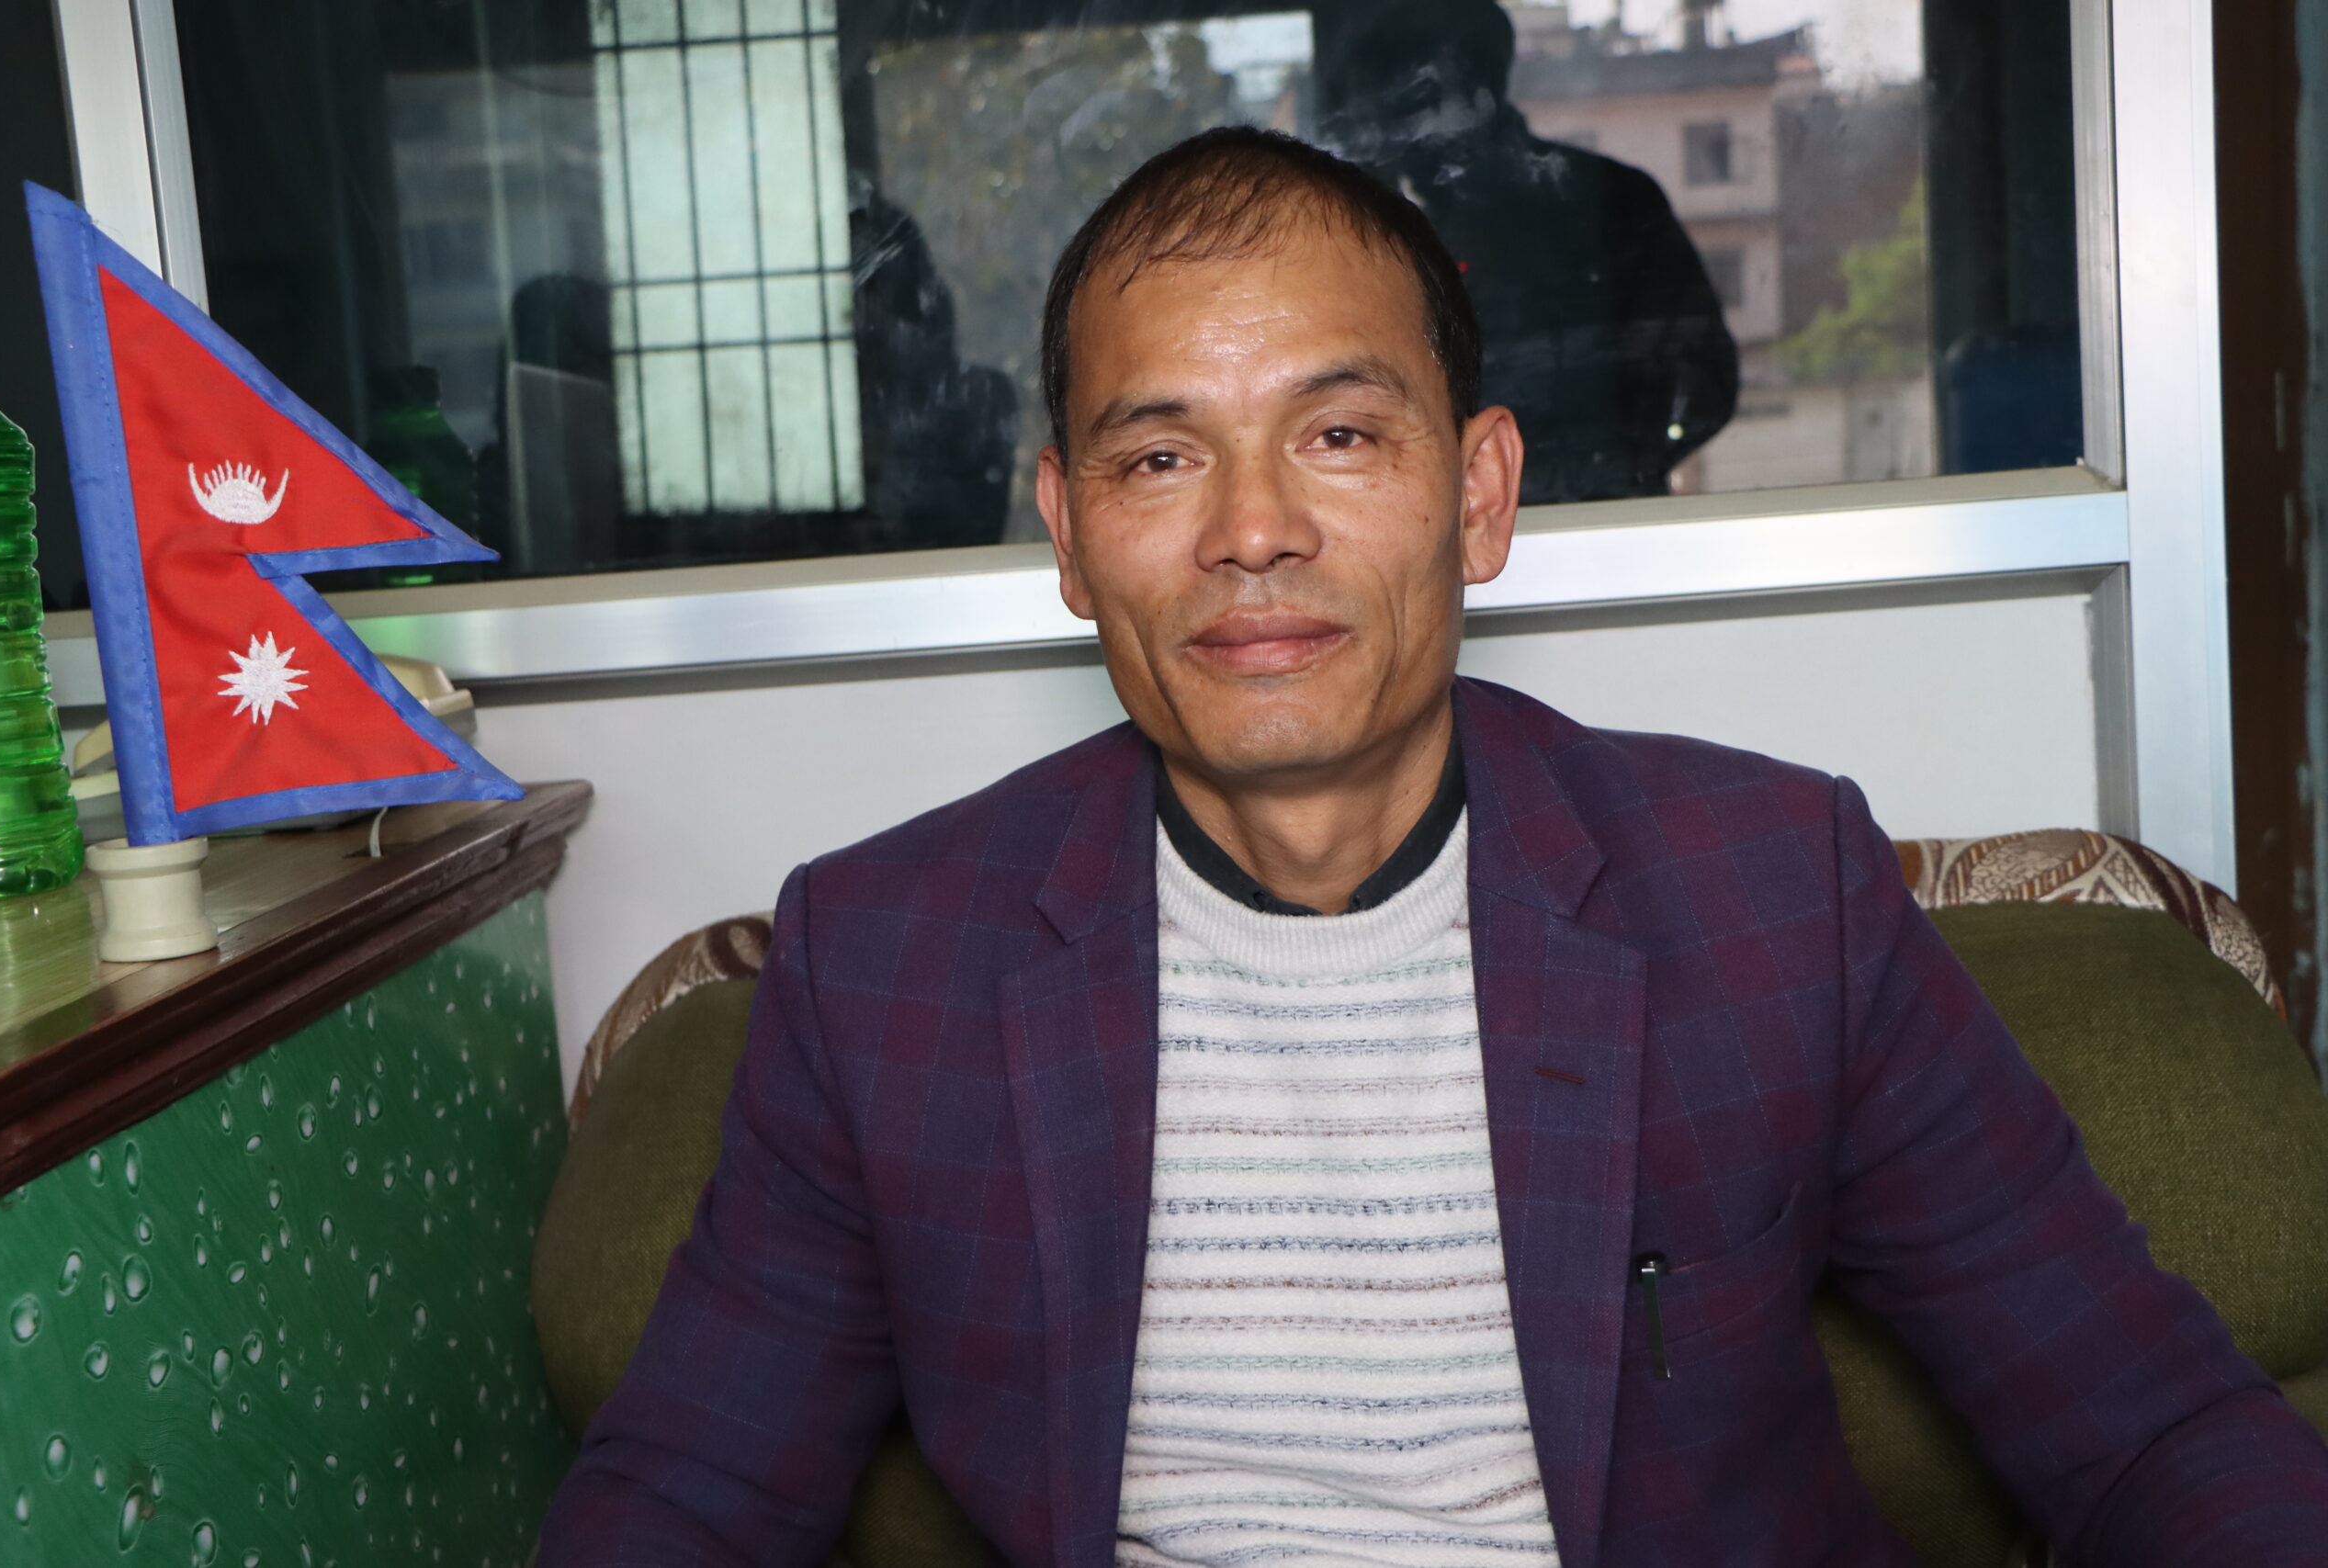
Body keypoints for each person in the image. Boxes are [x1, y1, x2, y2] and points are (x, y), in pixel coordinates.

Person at [539, 128, 2328, 1565]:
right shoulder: (884, 964)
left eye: (1337, 434)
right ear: (1069, 534)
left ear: (1476, 494)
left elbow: (2148, 1424)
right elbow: (693, 1488)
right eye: (1159, 459)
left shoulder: (1775, 889)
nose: (1252, 529)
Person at [1317, 0, 1737, 504]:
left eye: (1417, 100)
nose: (1396, 131)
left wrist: (1612, 471)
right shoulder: (1372, 228)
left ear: (1480, 92)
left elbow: (1704, 378)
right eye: (1386, 107)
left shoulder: (1610, 202)